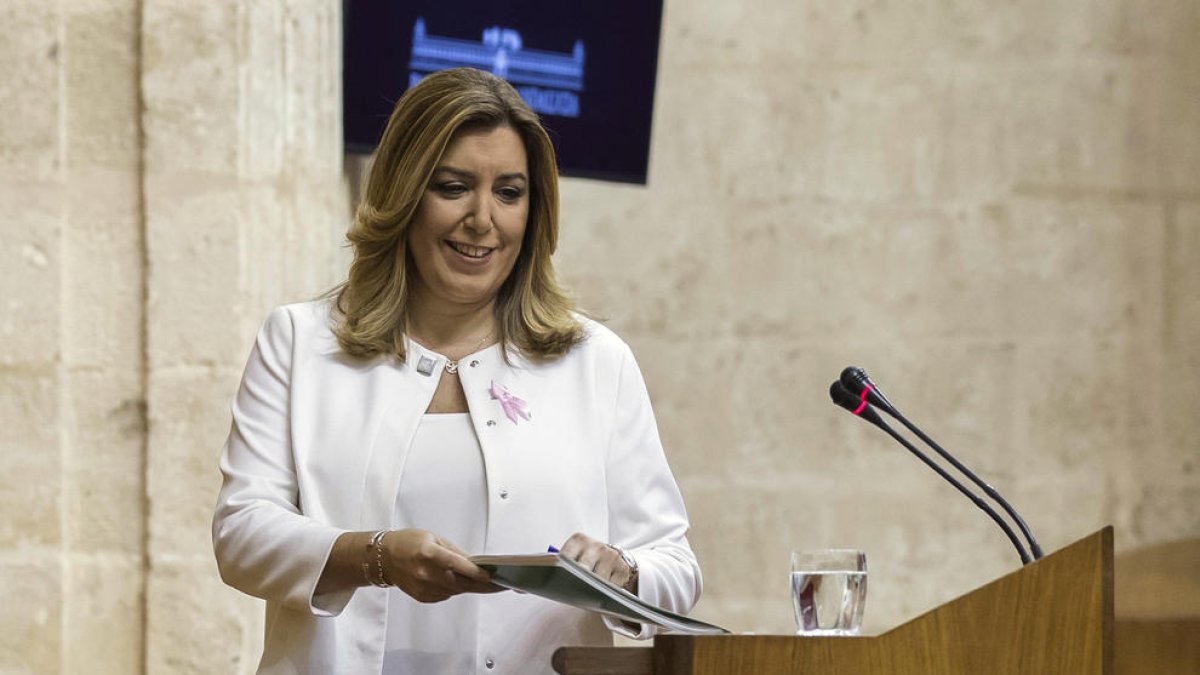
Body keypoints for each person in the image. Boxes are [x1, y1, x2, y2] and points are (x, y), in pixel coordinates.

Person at [212, 67, 701, 674]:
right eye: (453, 187)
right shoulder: (299, 343)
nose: (482, 219)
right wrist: (376, 557)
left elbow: (675, 568)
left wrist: (622, 571)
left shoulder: (595, 361)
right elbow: (242, 535)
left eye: (509, 192)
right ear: (404, 195)